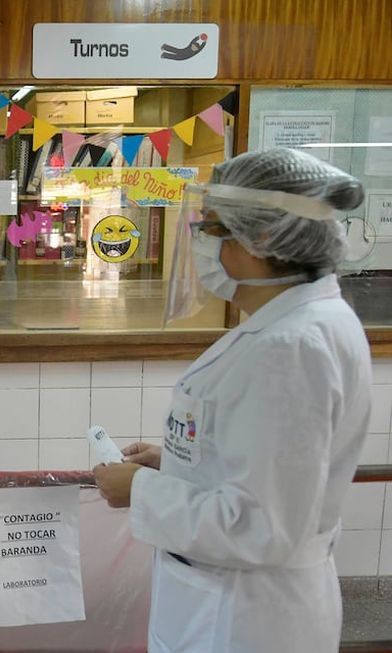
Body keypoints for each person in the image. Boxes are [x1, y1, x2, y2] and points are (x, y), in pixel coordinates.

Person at [94, 148, 372, 653]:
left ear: (262, 238)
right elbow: (266, 466)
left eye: (215, 228)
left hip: (247, 618)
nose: (201, 241)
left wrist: (142, 491)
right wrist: (182, 463)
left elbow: (266, 526)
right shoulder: (289, 328)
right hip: (221, 605)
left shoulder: (290, 348)